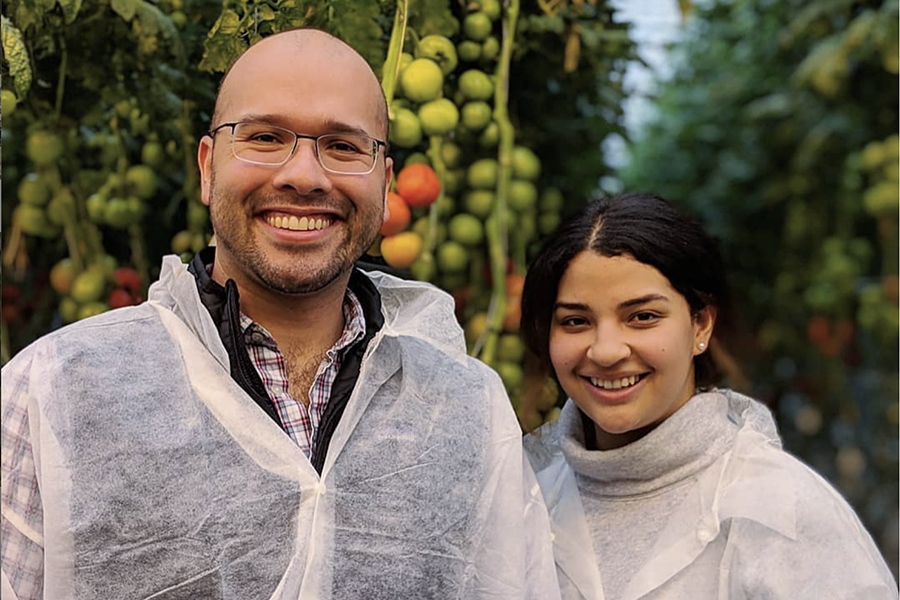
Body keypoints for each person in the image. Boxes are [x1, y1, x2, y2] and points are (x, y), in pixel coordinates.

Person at [0, 28, 560, 600]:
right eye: (266, 137)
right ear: (207, 166)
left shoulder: (467, 407)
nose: (304, 175)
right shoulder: (53, 391)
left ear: (386, 185)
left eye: (343, 146)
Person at [520, 193, 898, 600]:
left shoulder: (785, 511)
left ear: (700, 325)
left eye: (642, 317)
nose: (606, 351)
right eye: (575, 321)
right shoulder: (523, 498)